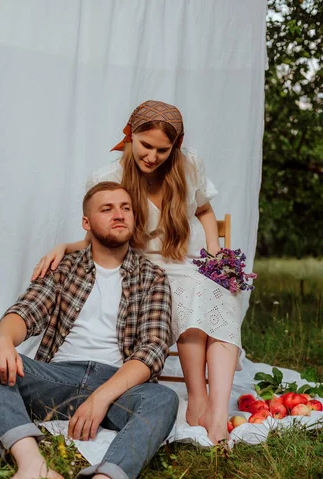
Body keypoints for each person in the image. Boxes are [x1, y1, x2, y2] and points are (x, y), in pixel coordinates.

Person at [32, 100, 244, 445]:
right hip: (138, 268)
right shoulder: (110, 177)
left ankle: (215, 411)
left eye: (163, 150)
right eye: (146, 145)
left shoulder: (187, 165)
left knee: (218, 295)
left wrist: (215, 254)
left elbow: (204, 209)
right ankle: (198, 400)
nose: (152, 156)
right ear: (130, 135)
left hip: (180, 261)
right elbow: (95, 235)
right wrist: (63, 248)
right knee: (191, 295)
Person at [0, 181, 178, 479]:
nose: (119, 214)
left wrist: (102, 398)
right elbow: (25, 311)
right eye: (106, 209)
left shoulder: (152, 277)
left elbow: (152, 350)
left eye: (125, 207)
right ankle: (32, 468)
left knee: (163, 399)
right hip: (59, 377)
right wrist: (4, 338)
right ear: (86, 223)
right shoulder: (65, 268)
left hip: (118, 383)